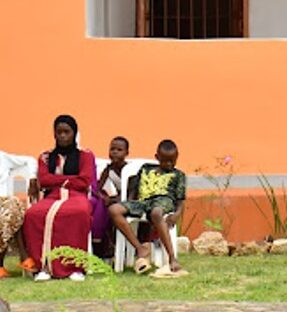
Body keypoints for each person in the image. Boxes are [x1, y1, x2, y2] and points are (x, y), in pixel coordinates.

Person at [22, 114, 96, 281]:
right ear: (54, 134)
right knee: (33, 214)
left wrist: (56, 181)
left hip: (77, 197)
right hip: (51, 197)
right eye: (59, 132)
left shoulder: (85, 155)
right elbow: (44, 180)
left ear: (74, 133)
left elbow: (84, 181)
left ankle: (75, 267)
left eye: (67, 132)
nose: (62, 136)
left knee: (77, 213)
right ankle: (42, 266)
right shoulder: (46, 156)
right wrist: (70, 180)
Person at [108, 139, 186, 275]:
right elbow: (134, 190)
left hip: (164, 201)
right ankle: (140, 248)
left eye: (172, 161)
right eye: (165, 161)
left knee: (156, 213)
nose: (169, 164)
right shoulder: (145, 168)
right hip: (143, 202)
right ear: (157, 157)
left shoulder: (179, 175)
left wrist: (176, 215)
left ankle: (172, 258)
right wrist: (128, 204)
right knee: (114, 209)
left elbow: (180, 200)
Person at [92, 137, 129, 259]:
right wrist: (103, 197)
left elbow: (131, 193)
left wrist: (113, 199)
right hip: (116, 201)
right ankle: (106, 246)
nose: (115, 152)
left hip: (129, 201)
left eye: (119, 149)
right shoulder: (108, 170)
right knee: (104, 211)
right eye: (112, 149)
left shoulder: (129, 170)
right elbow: (97, 188)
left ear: (126, 153)